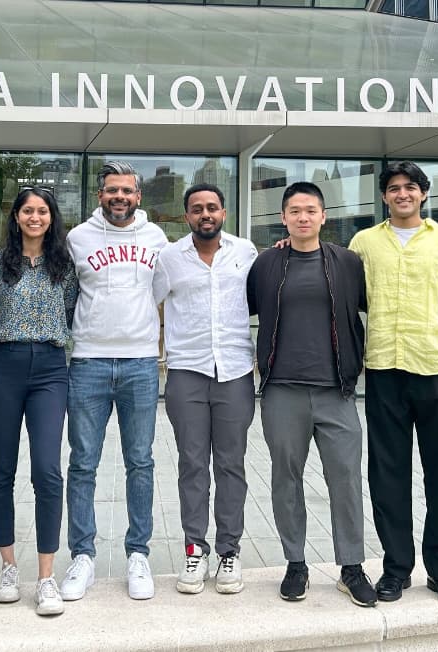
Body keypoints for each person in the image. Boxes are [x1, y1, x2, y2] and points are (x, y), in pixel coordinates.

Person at [347, 161, 438, 608]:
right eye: (393, 188)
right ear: (384, 197)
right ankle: (396, 569)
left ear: (424, 194)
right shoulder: (364, 243)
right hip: (384, 370)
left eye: (410, 187)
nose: (402, 194)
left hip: (435, 370)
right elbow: (343, 296)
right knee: (387, 474)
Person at [246, 181, 377, 607]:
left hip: (336, 391)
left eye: (311, 210)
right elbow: (246, 308)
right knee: (286, 478)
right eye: (295, 211)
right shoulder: (266, 264)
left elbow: (365, 308)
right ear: (283, 218)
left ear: (324, 216)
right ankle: (295, 563)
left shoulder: (347, 263)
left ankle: (351, 566)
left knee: (345, 478)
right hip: (282, 390)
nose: (303, 217)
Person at [59, 161, 169, 602]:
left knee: (139, 462)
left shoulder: (156, 238)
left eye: (126, 190)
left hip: (141, 362)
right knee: (83, 462)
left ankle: (137, 554)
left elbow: (162, 290)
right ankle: (82, 555)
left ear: (138, 196)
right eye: (111, 190)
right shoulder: (78, 238)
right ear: (100, 195)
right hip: (87, 361)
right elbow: (61, 290)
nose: (119, 197)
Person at [152, 183, 257, 595]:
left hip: (234, 373)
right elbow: (151, 305)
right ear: (187, 216)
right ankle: (195, 548)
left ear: (224, 213)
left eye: (212, 207)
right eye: (197, 209)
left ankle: (230, 550)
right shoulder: (169, 258)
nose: (205, 214)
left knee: (231, 465)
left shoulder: (245, 252)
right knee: (192, 465)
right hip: (187, 373)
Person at [0, 187, 77, 617]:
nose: (35, 217)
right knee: (1, 468)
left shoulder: (64, 266)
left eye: (42, 211)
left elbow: (71, 312)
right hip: (2, 365)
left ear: (51, 218)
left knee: (47, 468)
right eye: (27, 211)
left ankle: (46, 576)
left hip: (51, 369)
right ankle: (7, 567)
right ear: (16, 217)